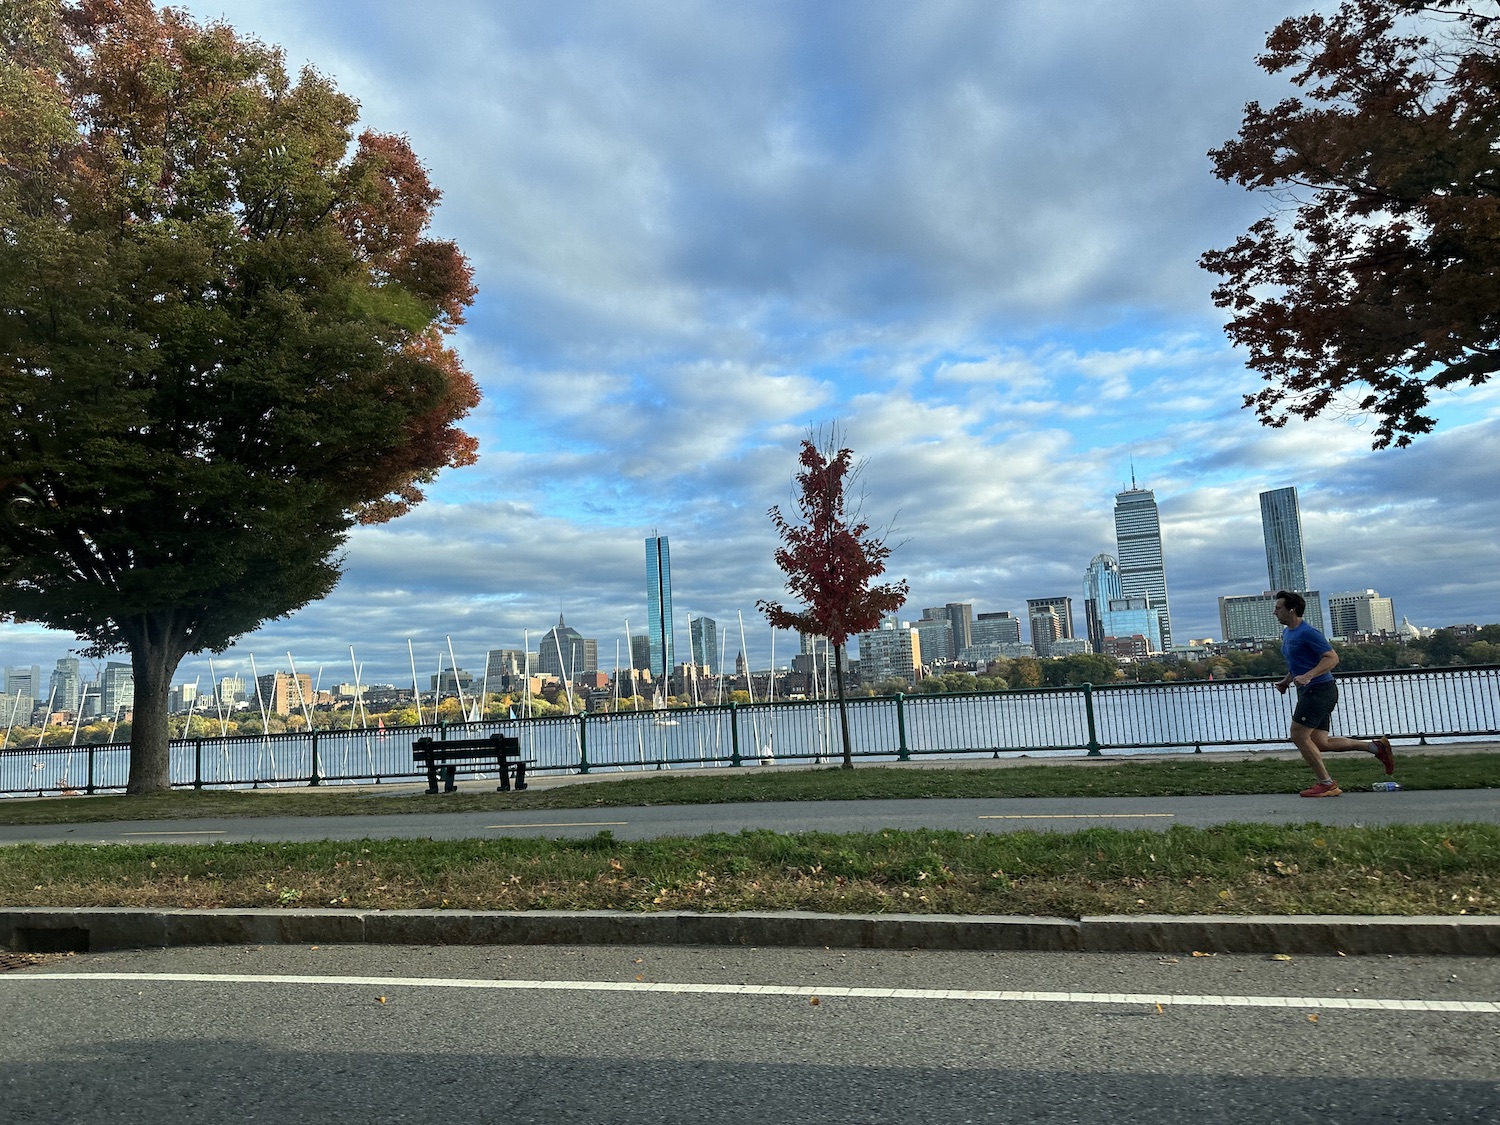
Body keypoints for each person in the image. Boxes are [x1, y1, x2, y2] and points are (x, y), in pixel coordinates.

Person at [1273, 590, 1395, 796]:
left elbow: (1331, 658)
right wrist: (1287, 681)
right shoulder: (1288, 633)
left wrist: (1309, 676)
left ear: (1292, 610)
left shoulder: (1309, 632)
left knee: (1298, 735)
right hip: (1309, 691)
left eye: (1278, 608)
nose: (1274, 612)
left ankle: (1327, 783)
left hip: (1319, 690)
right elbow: (1299, 663)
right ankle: (1377, 748)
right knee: (1321, 742)